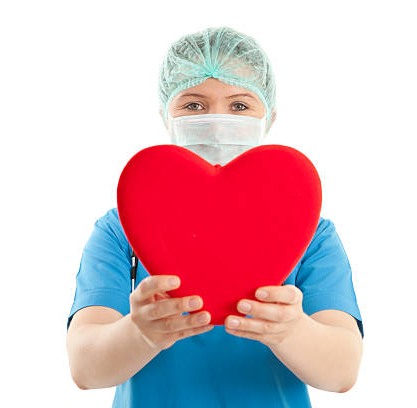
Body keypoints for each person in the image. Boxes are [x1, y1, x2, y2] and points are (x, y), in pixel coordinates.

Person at [66, 26, 364, 408]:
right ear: (166, 116)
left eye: (240, 106)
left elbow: (342, 372)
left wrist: (292, 330)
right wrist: (139, 332)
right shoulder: (121, 231)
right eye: (193, 105)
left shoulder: (311, 234)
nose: (218, 123)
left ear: (268, 117)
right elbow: (85, 369)